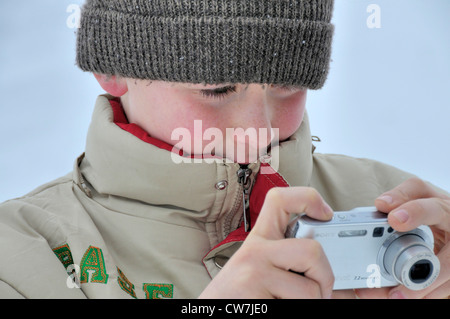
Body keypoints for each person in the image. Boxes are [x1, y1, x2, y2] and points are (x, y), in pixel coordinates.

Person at [0, 0, 448, 299]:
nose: (259, 130)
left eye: (287, 84)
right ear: (113, 69)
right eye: (216, 89)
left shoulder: (389, 206)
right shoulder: (23, 256)